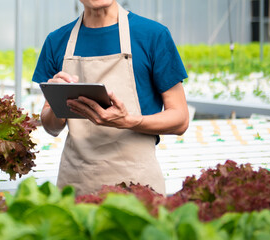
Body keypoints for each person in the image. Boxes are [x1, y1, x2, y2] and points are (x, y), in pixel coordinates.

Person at [32, 0, 189, 195]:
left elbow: (180, 119)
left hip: (138, 185)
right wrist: (59, 103)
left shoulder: (153, 35)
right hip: (77, 182)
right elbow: (51, 127)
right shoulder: (56, 41)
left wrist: (129, 121)